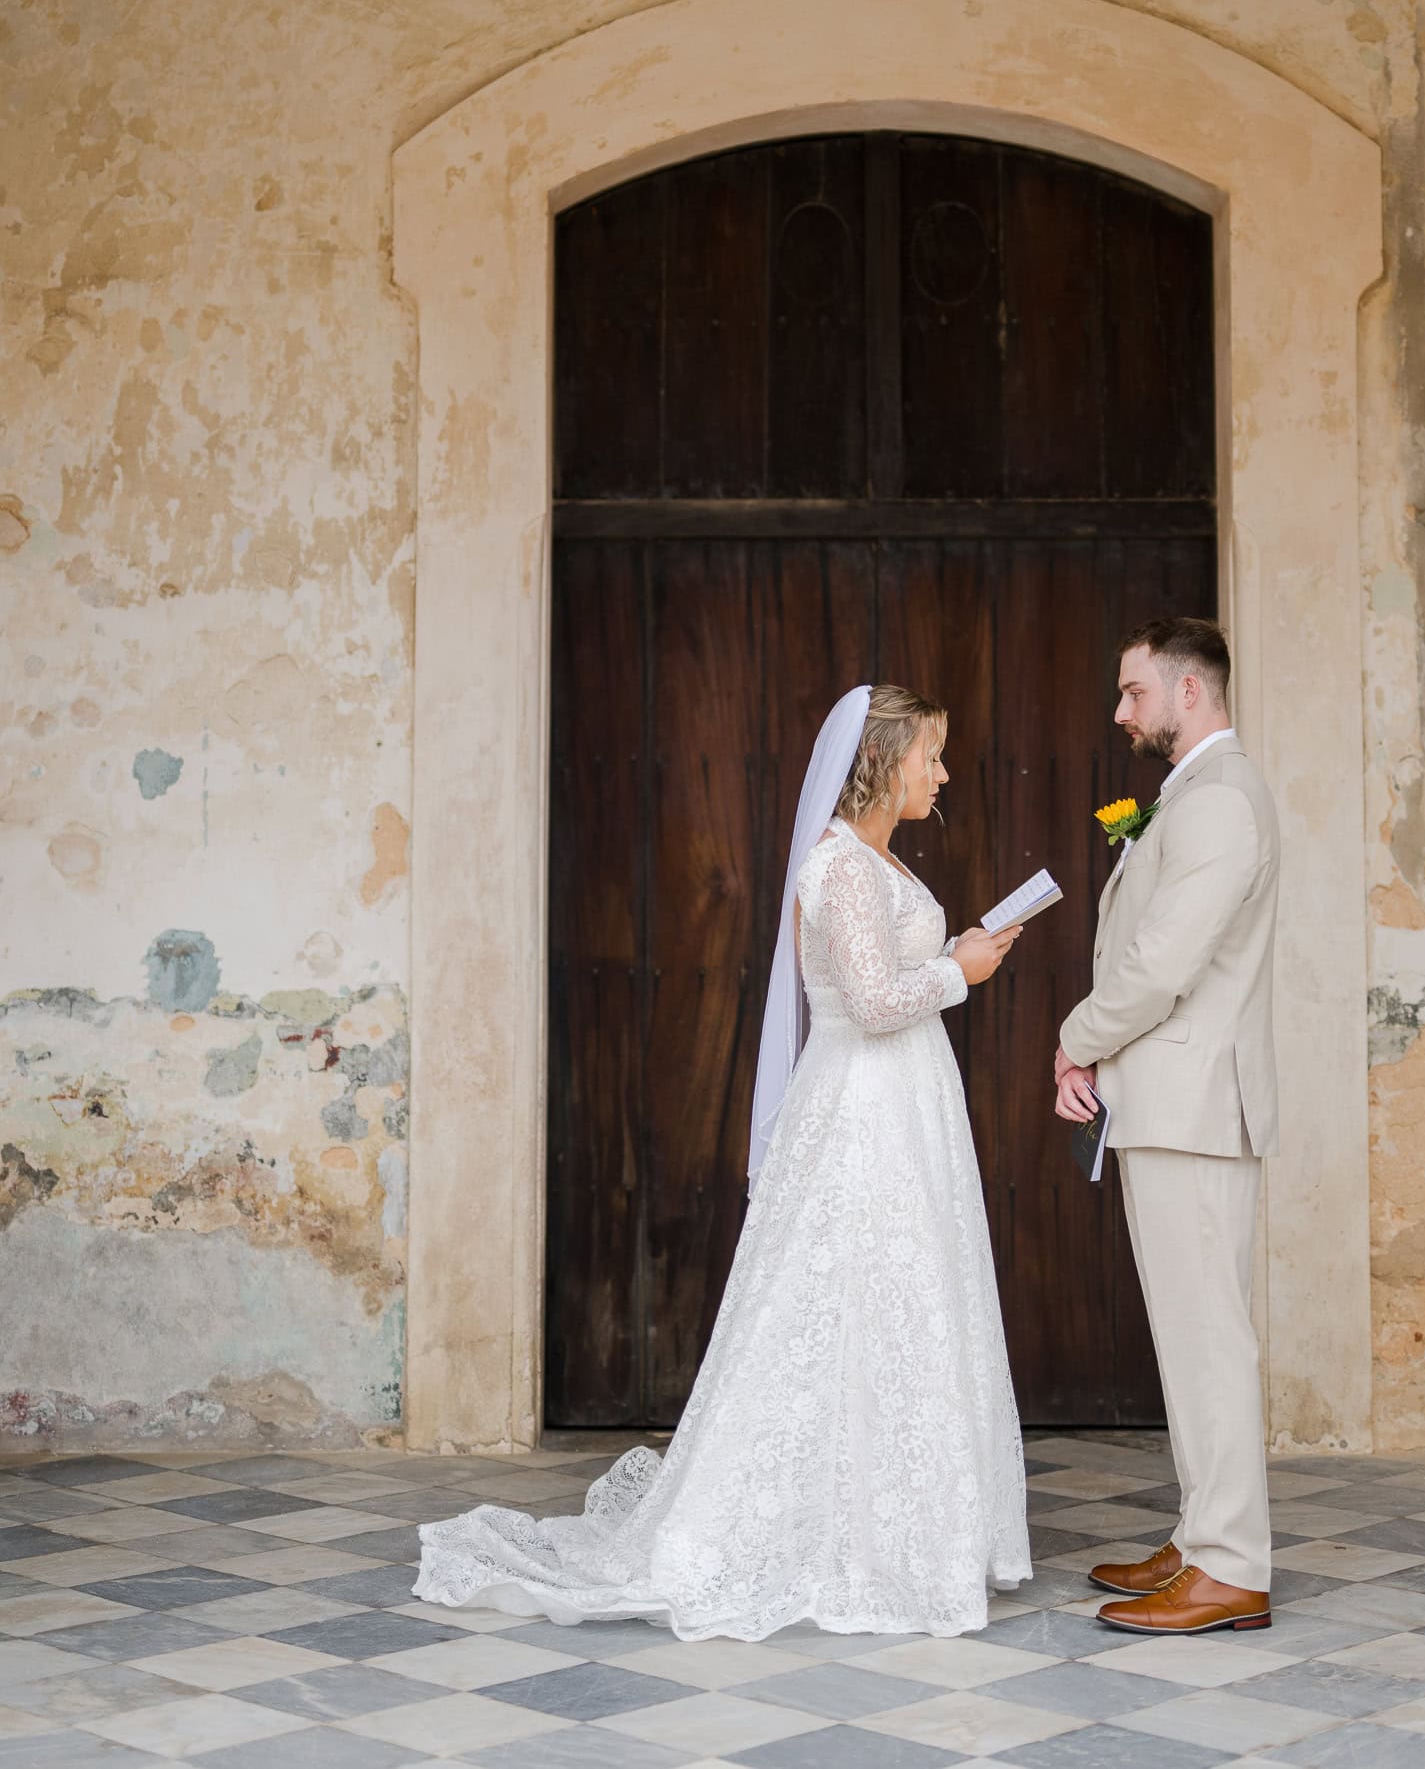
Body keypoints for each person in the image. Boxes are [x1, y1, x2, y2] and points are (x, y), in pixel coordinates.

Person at [414, 682, 1031, 1640]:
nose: (943, 773)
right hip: (862, 1111)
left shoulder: (879, 863)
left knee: (906, 1300)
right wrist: (964, 973)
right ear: (883, 764)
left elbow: (886, 978)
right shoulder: (837, 866)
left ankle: (905, 1527)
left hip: (906, 1107)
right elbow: (870, 1004)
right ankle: (838, 1539)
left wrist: (956, 949)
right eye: (931, 757)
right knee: (849, 1300)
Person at [1055, 617, 1280, 1635]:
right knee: (1188, 1337)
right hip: (1170, 1101)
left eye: (1134, 691)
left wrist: (1076, 1037)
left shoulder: (1223, 802)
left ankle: (1231, 1564)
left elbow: (1161, 962)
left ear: (1191, 692)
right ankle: (1201, 1540)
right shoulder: (1192, 794)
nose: (1120, 712)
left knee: (1209, 1340)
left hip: (1193, 1106)